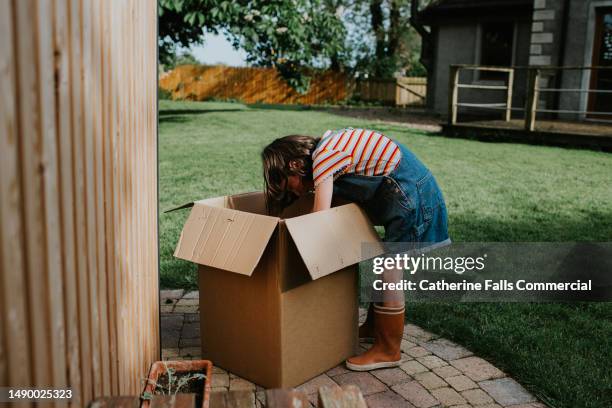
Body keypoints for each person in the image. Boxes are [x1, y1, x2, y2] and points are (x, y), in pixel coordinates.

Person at [261, 128, 450, 371]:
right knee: (385, 266)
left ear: (296, 164)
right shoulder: (328, 150)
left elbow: (319, 217)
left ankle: (389, 350)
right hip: (407, 190)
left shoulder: (324, 159)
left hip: (412, 195)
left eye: (290, 185)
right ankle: (374, 328)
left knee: (390, 272)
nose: (295, 192)